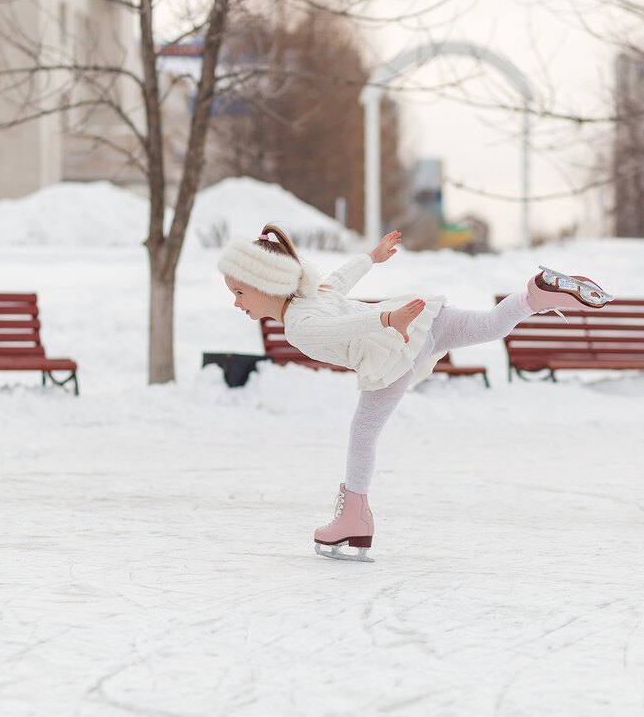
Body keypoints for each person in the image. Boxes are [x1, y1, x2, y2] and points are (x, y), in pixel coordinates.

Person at [218, 223, 613, 562]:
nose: (236, 303)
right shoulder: (312, 295)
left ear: (267, 284)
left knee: (363, 433)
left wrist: (386, 319)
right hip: (422, 319)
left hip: (391, 347)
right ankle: (536, 296)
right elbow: (340, 281)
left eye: (239, 293)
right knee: (491, 325)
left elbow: (340, 329)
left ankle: (354, 518)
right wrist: (371, 258)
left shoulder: (298, 325)